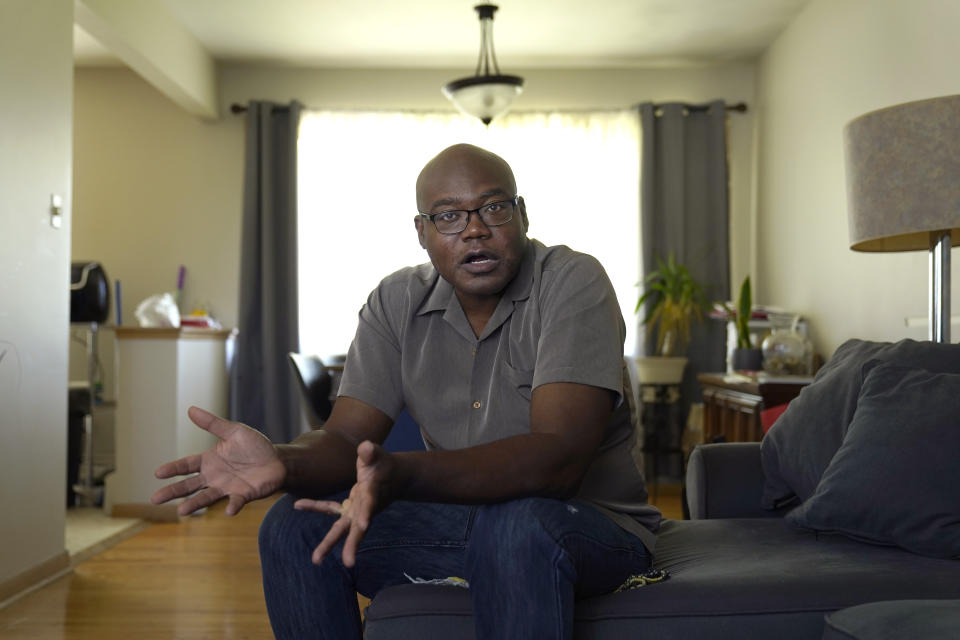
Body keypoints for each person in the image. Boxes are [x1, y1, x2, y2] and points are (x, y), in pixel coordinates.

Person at [151, 143, 661, 639]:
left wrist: (401, 473)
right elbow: (347, 437)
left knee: (516, 526)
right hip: (463, 524)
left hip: (589, 527)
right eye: (448, 216)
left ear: (522, 215)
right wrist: (283, 462)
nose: (475, 229)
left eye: (494, 207)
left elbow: (559, 460)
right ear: (421, 231)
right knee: (292, 525)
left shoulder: (573, 281)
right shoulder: (396, 300)